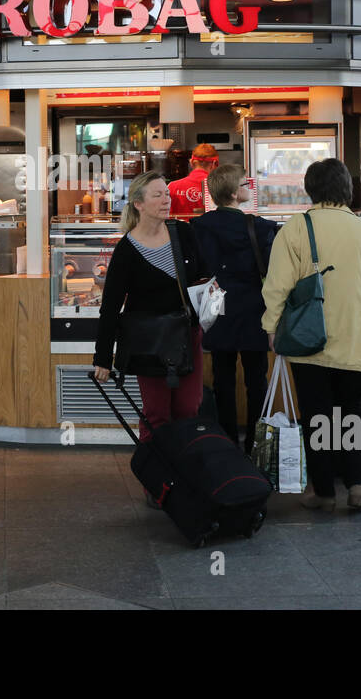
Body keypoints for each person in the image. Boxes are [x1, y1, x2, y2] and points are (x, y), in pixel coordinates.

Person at [261, 158, 361, 512]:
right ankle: (357, 485)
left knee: (316, 414)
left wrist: (271, 327)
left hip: (310, 341)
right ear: (347, 189)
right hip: (358, 339)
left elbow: (276, 285)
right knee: (352, 410)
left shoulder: (295, 229)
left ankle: (323, 491)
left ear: (310, 189)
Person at [93, 171, 210, 503]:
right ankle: (156, 483)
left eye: (166, 194)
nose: (166, 199)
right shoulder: (127, 250)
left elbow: (203, 273)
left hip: (188, 335)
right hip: (150, 342)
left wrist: (211, 295)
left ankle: (186, 476)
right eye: (157, 195)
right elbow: (111, 306)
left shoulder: (183, 233)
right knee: (156, 414)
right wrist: (103, 356)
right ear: (139, 204)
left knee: (189, 408)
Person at [191, 163, 279, 454]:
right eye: (245, 184)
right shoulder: (260, 227)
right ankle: (256, 445)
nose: (248, 188)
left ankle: (227, 443)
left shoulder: (198, 227)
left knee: (223, 380)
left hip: (217, 312)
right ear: (232, 192)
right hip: (254, 311)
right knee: (257, 380)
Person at [167, 142, 219, 219]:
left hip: (180, 231)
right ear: (214, 163)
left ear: (191, 162)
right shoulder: (220, 187)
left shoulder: (172, 187)